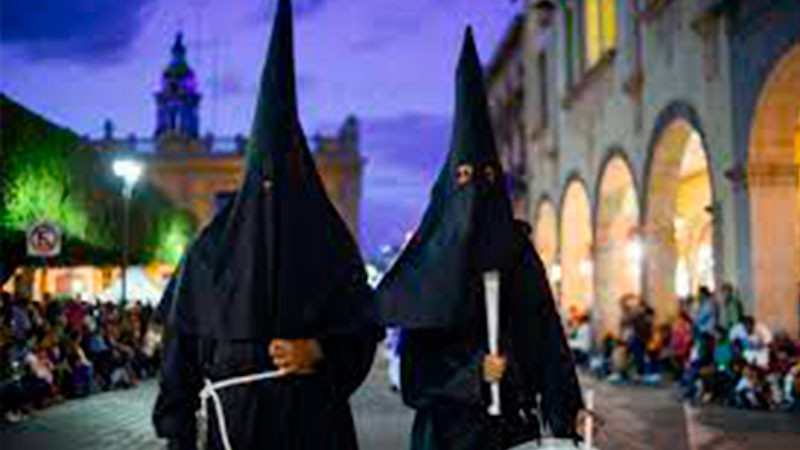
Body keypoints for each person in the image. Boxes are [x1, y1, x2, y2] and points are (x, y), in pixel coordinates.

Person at [152, 1, 379, 449]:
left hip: (316, 429)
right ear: (251, 178)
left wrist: (320, 351)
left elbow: (363, 330)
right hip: (237, 429)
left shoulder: (333, 248)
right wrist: (178, 437)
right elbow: (178, 367)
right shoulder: (208, 254)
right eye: (267, 179)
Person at [376, 28, 586, 450]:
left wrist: (568, 409)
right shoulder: (434, 262)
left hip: (513, 432)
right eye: (465, 178)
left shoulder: (518, 253)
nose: (475, 191)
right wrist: (473, 377)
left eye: (486, 178)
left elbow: (548, 340)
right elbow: (416, 381)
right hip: (447, 437)